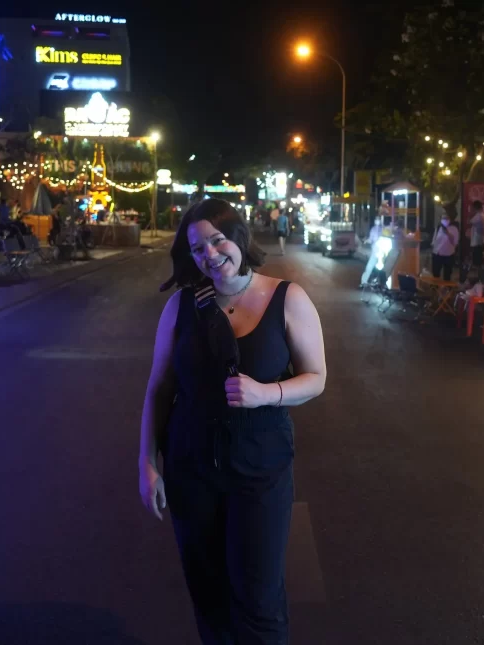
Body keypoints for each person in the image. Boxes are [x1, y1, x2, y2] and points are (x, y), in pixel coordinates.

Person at [140, 198, 327, 644]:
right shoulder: (181, 306)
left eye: (217, 240)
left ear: (239, 237)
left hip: (260, 467)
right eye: (197, 248)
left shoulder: (287, 298)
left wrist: (267, 393)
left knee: (258, 597)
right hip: (190, 466)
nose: (210, 254)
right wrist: (146, 464)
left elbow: (316, 378)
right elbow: (159, 389)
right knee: (208, 591)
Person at [430, 207, 459, 281]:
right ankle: (435, 286)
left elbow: (455, 243)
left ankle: (446, 287)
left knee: (447, 275)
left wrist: (448, 233)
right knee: (435, 273)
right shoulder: (438, 227)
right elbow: (434, 240)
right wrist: (433, 250)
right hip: (437, 254)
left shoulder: (454, 229)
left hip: (448, 255)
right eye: (443, 218)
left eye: (446, 218)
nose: (444, 220)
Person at [359, 216, 384, 288]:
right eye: (376, 219)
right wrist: (366, 241)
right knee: (369, 267)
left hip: (382, 252)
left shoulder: (383, 229)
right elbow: (371, 239)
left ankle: (381, 283)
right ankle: (363, 282)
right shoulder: (373, 229)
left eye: (378, 219)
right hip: (375, 251)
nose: (377, 221)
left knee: (381, 268)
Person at [467, 200, 484, 276]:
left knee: (477, 262)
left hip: (477, 242)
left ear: (475, 208)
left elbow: (468, 222)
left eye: (472, 208)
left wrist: (470, 213)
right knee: (479, 260)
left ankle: (478, 276)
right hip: (481, 241)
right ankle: (479, 276)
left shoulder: (478, 216)